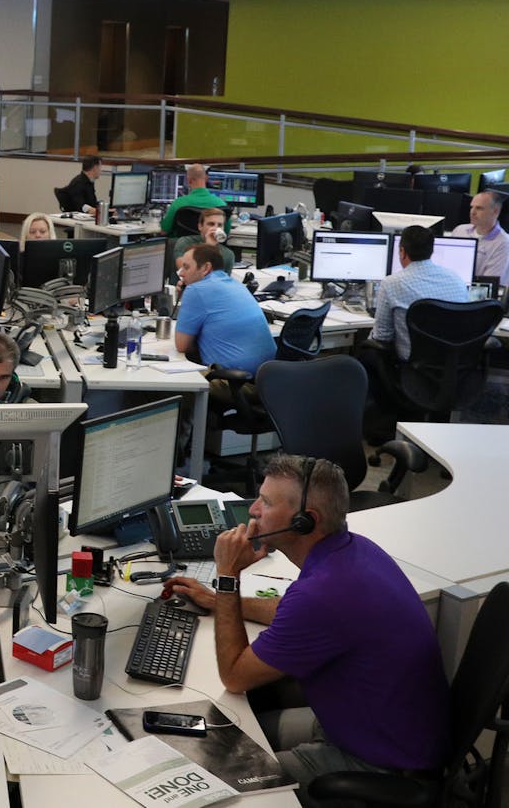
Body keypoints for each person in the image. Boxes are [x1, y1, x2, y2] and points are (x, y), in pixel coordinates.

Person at [166, 455, 449, 799]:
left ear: (304, 521)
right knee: (226, 735)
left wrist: (228, 577)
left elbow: (235, 677)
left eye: (266, 503)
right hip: (373, 726)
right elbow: (292, 613)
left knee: (217, 786)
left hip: (376, 762)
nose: (253, 509)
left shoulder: (324, 593)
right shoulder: (354, 551)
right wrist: (217, 601)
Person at [356, 224, 471, 439]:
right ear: (431, 250)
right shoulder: (455, 279)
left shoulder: (392, 283)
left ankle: (380, 427)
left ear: (402, 252)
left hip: (413, 369)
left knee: (365, 352)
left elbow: (382, 336)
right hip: (452, 368)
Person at [175, 241, 276, 383]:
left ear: (206, 268)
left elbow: (182, 346)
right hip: (268, 380)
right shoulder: (235, 284)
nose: (181, 273)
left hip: (234, 382)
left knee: (163, 387)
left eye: (186, 267)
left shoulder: (196, 290)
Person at [449, 191, 508, 282]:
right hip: (451, 284)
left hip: (476, 292)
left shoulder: (504, 243)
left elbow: (489, 284)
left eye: (479, 208)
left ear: (495, 211)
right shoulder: (460, 230)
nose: (472, 212)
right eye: (472, 207)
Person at [160, 163, 227, 233]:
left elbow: (164, 231)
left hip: (183, 243)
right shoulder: (221, 204)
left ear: (189, 180)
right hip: (210, 243)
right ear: (206, 179)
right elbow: (226, 232)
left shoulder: (178, 204)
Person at [172, 207, 235, 273]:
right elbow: (185, 272)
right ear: (200, 226)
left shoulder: (228, 254)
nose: (215, 228)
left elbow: (224, 281)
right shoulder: (185, 242)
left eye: (220, 225)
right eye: (211, 224)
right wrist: (208, 247)